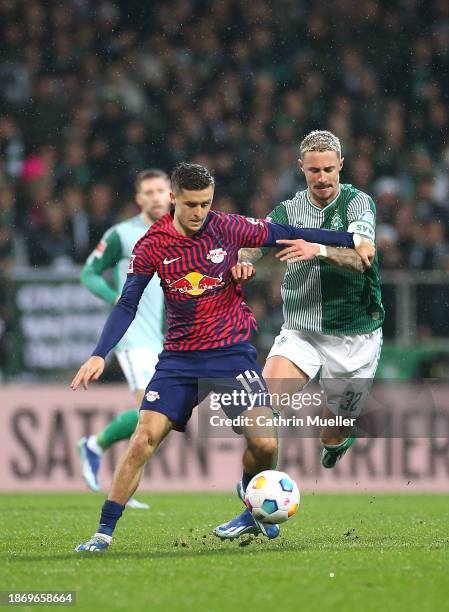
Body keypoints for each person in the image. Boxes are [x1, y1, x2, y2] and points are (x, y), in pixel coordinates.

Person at [70, 162, 370, 552]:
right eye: (191, 205)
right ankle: (103, 533)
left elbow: (287, 232)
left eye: (205, 204)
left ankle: (249, 496)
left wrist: (350, 237)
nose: (199, 213)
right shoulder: (152, 244)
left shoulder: (227, 226)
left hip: (231, 355)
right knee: (143, 440)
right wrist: (99, 354)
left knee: (264, 444)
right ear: (173, 199)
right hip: (179, 360)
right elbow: (127, 304)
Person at [216, 130, 382, 538]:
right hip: (301, 333)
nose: (322, 178)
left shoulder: (359, 203)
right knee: (262, 412)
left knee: (334, 428)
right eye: (314, 171)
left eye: (329, 169)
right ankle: (253, 510)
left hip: (355, 338)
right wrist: (244, 260)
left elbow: (363, 257)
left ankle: (337, 441)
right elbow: (254, 241)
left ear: (340, 166)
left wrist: (318, 249)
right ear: (301, 169)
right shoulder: (289, 209)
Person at [77, 169, 171, 509]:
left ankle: (98, 451)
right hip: (133, 337)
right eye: (150, 192)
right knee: (152, 411)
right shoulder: (123, 234)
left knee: (163, 418)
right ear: (139, 198)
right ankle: (99, 450)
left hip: (167, 340)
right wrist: (113, 295)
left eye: (161, 190)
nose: (157, 197)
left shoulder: (179, 232)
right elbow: (88, 272)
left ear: (171, 194)